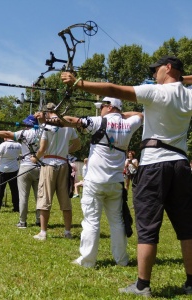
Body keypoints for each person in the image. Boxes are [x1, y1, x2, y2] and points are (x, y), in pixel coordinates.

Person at [61, 55, 192, 296]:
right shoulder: (188, 94)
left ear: (168, 67)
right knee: (187, 227)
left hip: (155, 165)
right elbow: (177, 84)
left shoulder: (156, 93)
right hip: (181, 164)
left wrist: (78, 82)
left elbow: (113, 89)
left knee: (148, 227)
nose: (154, 75)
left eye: (156, 70)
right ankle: (191, 281)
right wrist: (181, 79)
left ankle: (142, 285)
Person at [45, 97, 143, 267]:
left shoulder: (99, 122)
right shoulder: (130, 124)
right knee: (117, 222)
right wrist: (121, 115)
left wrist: (52, 118)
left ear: (110, 107)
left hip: (95, 182)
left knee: (91, 221)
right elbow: (141, 115)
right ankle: (122, 260)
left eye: (103, 107)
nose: (101, 110)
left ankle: (88, 261)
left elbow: (71, 121)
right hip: (116, 182)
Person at [30, 102, 81, 240]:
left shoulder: (46, 126)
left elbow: (42, 148)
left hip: (48, 164)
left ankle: (43, 232)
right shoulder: (68, 125)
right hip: (63, 164)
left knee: (45, 198)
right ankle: (67, 232)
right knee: (65, 200)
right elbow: (77, 144)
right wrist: (66, 152)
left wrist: (34, 158)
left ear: (47, 112)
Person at [0, 115, 41, 227]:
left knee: (2, 190)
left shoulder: (14, 139)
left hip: (7, 169)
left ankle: (0, 209)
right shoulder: (40, 134)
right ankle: (35, 218)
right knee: (29, 194)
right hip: (23, 168)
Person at [0, 137, 22, 212]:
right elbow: (22, 154)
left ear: (6, 137)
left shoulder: (3, 144)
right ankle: (16, 207)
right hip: (14, 169)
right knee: (14, 190)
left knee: (0, 189)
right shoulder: (18, 145)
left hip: (3, 170)